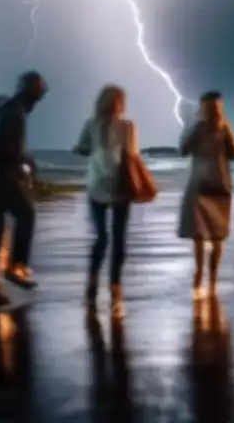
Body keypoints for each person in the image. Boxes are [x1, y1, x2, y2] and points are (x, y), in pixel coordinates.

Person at [0, 71, 48, 307]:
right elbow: (11, 149)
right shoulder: (15, 113)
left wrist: (24, 159)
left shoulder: (6, 110)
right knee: (26, 213)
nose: (36, 104)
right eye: (37, 98)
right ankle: (16, 267)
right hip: (0, 177)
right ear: (31, 94)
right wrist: (25, 164)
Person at [73, 84, 139, 318]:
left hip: (104, 186)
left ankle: (98, 283)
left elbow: (82, 147)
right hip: (112, 187)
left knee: (104, 237)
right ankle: (113, 287)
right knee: (114, 238)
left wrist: (84, 150)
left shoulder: (94, 125)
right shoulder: (124, 126)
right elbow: (132, 155)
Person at [178, 91, 234, 298]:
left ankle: (203, 275)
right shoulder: (222, 128)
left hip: (205, 184)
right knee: (214, 235)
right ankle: (210, 278)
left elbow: (183, 150)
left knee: (204, 234)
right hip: (217, 184)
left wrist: (190, 127)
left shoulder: (204, 128)